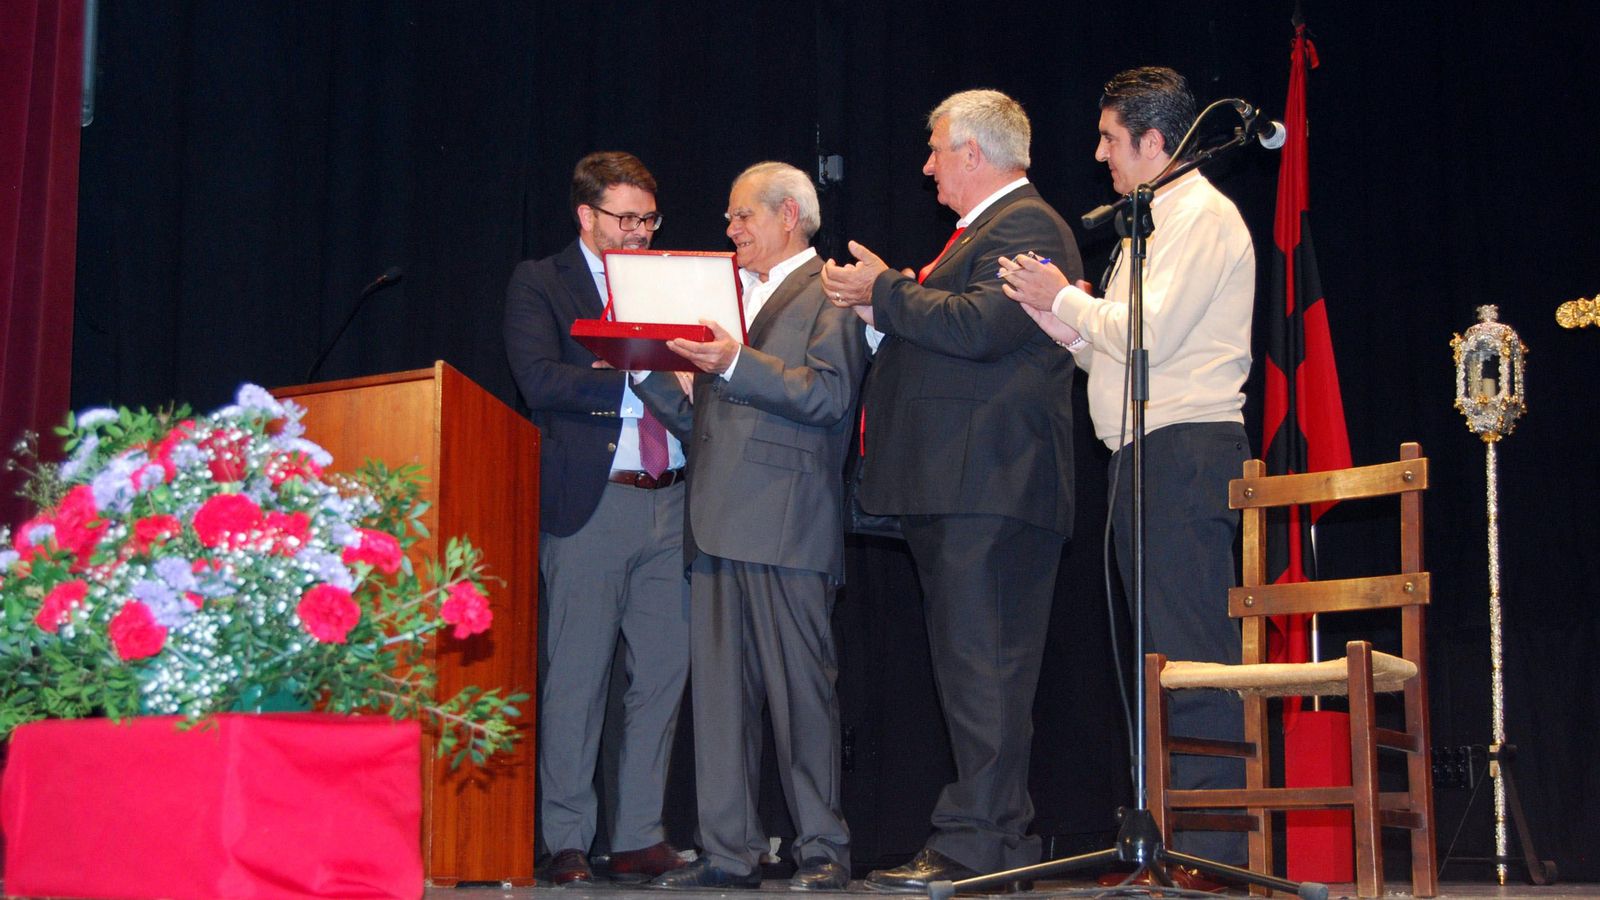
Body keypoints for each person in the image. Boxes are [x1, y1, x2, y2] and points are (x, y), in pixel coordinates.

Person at [820, 89, 1083, 891]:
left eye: (936, 150)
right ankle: (991, 844)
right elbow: (953, 326)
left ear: (974, 152)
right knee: (977, 675)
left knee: (985, 675)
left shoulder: (1029, 226)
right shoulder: (982, 235)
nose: (928, 166)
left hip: (994, 489)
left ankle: (977, 848)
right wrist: (890, 303)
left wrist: (884, 293)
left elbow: (980, 327)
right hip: (967, 490)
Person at [999, 66, 1255, 873]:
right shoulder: (1150, 223)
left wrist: (1065, 300)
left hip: (1186, 454)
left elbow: (1153, 335)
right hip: (1144, 455)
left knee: (1194, 663)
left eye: (1112, 138)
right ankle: (1175, 847)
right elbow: (1121, 348)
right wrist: (1064, 325)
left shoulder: (1203, 217)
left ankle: (1211, 855)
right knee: (1158, 662)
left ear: (1154, 142)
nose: (1100, 153)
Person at [636, 161, 866, 892]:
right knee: (720, 703)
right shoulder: (728, 299)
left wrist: (735, 362)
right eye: (731, 218)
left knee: (802, 697)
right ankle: (729, 853)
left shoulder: (831, 291)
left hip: (788, 523)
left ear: (788, 216)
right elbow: (711, 423)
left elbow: (829, 398)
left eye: (743, 217)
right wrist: (645, 372)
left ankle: (823, 851)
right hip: (714, 522)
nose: (731, 230)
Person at [504, 151, 691, 887]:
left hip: (674, 496)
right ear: (586, 216)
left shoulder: (672, 282)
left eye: (649, 218)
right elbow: (539, 380)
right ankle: (568, 838)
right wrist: (631, 372)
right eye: (626, 219)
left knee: (663, 673)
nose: (640, 233)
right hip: (592, 501)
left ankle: (639, 834)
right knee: (576, 677)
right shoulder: (540, 282)